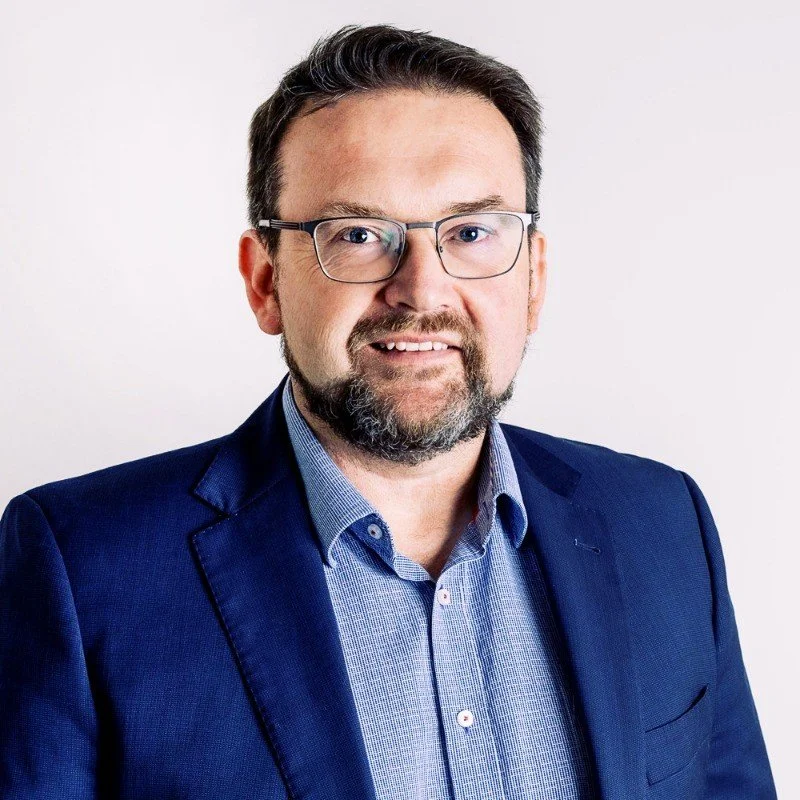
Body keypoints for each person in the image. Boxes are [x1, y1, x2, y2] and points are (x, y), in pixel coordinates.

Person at [0, 23, 776, 800]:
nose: (423, 290)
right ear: (265, 280)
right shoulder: (80, 571)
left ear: (533, 279)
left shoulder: (664, 525)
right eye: (360, 235)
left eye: (472, 232)